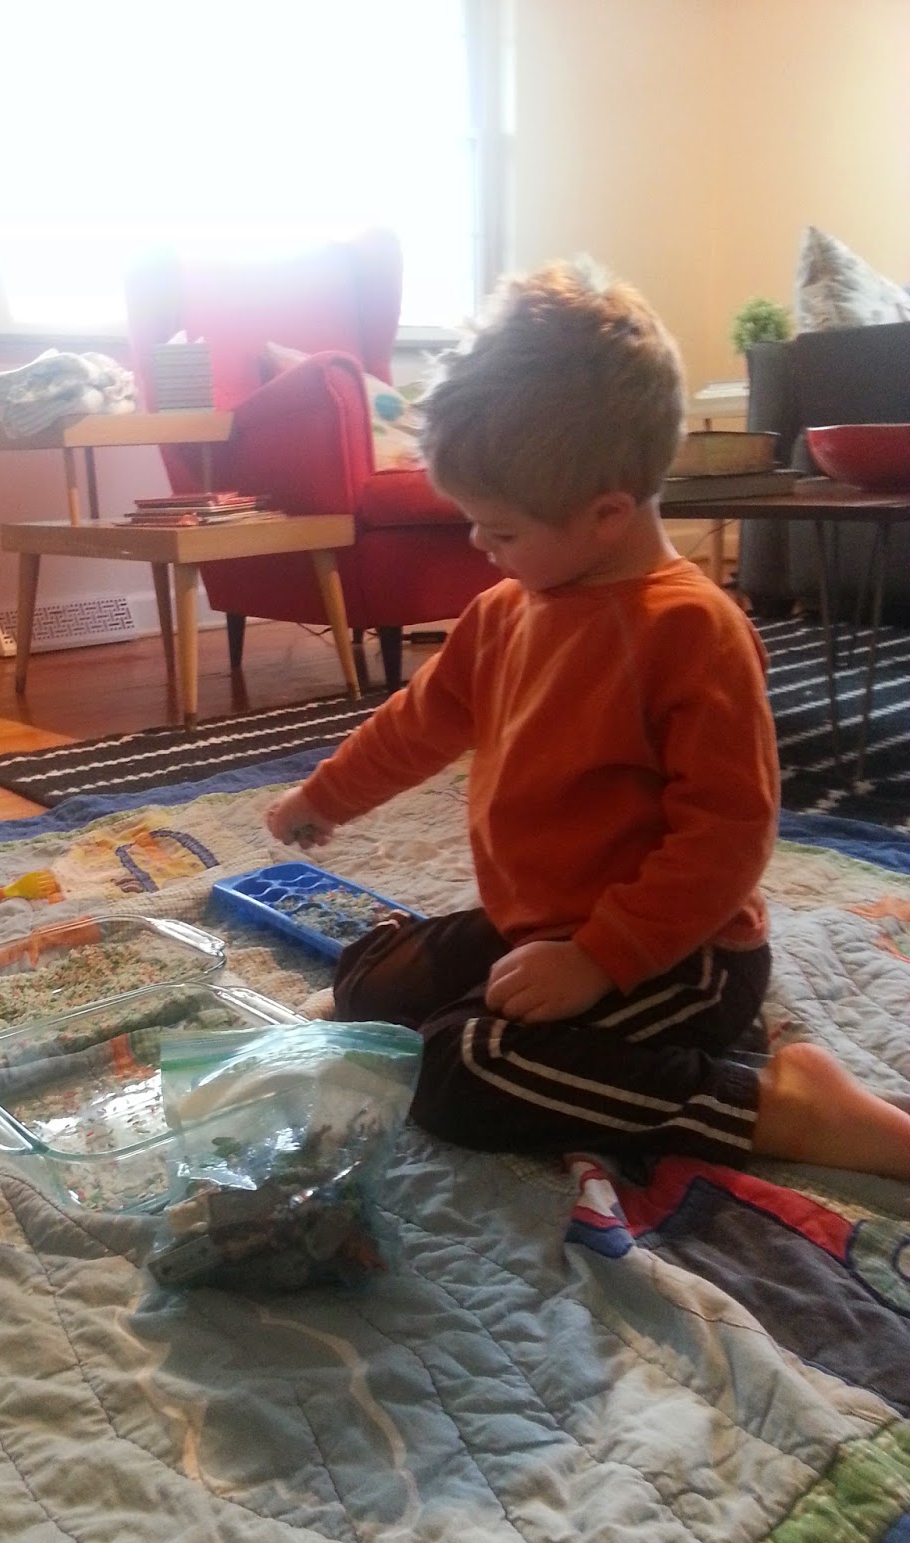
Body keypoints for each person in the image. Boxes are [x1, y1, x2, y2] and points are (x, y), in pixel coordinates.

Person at [266, 260, 910, 1182]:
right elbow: (418, 724)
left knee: (460, 1071)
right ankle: (534, 1007)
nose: (480, 546)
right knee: (367, 975)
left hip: (679, 953)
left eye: (501, 531)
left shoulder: (691, 630)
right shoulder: (504, 612)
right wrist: (321, 797)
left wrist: (600, 959)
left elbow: (727, 839)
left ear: (607, 514)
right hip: (540, 920)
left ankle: (789, 1111)